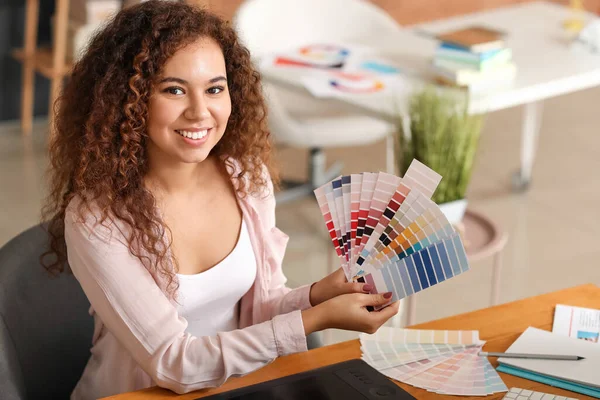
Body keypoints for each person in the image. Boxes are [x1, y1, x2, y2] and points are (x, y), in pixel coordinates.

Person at [41, 1, 400, 399]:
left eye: (215, 88)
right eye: (173, 89)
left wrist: (319, 295)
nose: (200, 112)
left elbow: (258, 311)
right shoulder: (97, 220)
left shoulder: (245, 179)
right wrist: (315, 320)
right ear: (131, 99)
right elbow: (174, 363)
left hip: (234, 389)